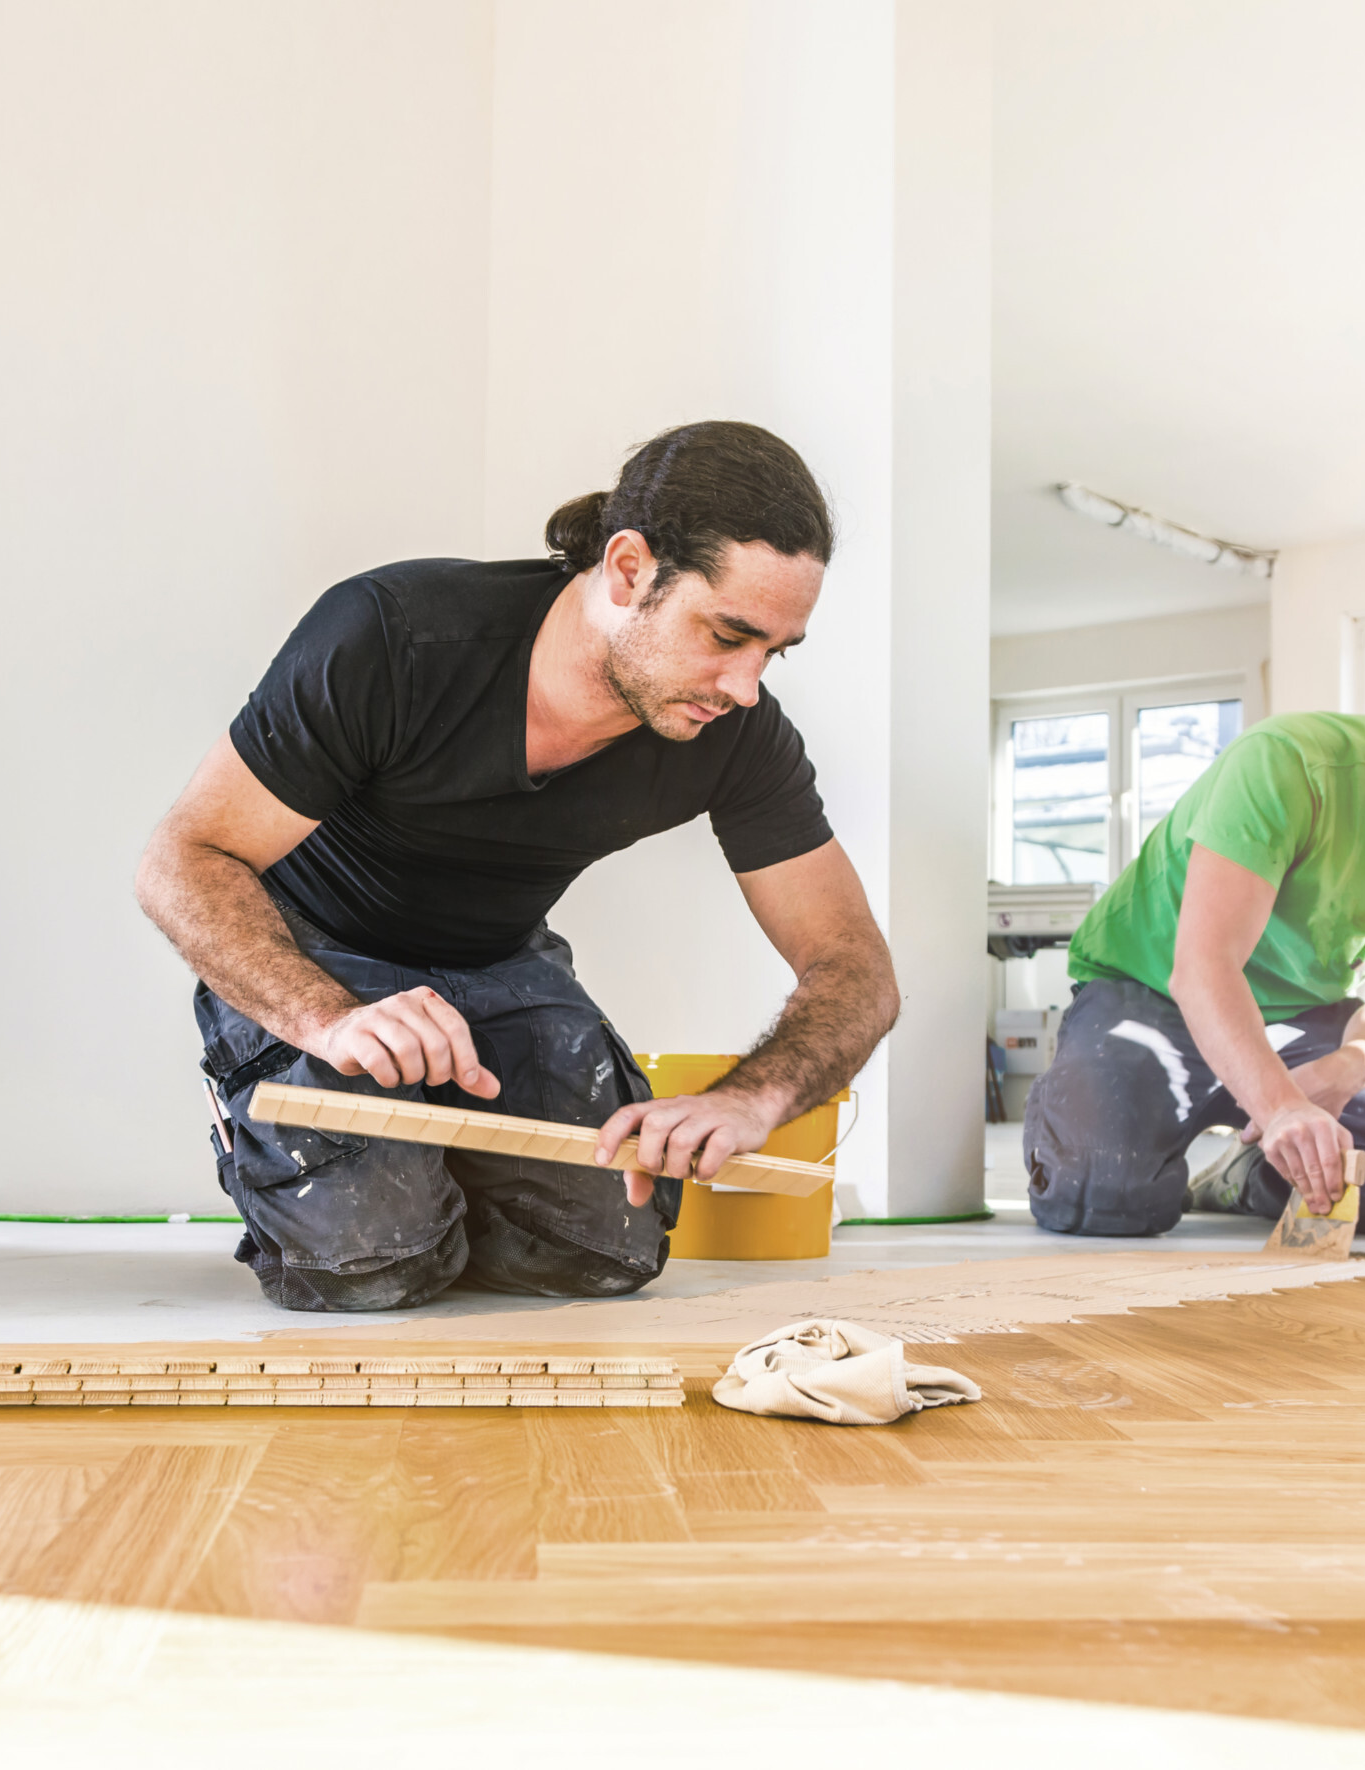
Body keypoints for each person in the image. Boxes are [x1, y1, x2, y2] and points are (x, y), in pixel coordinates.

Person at [135, 421, 899, 1312]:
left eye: (773, 651)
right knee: (373, 1265)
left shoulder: (737, 734)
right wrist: (327, 1020)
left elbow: (855, 967)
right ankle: (322, 1168)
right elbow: (183, 857)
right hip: (318, 957)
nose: (745, 685)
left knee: (605, 1254)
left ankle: (431, 1181)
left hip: (500, 962)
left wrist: (751, 1100)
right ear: (627, 570)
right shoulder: (395, 636)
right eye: (727, 634)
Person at [1023, 683, 1365, 1239]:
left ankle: (1249, 1174)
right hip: (1150, 996)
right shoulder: (1287, 762)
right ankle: (1086, 1095)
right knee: (1101, 1191)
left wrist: (1348, 1068)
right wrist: (1280, 1105)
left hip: (1303, 1019)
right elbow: (1204, 968)